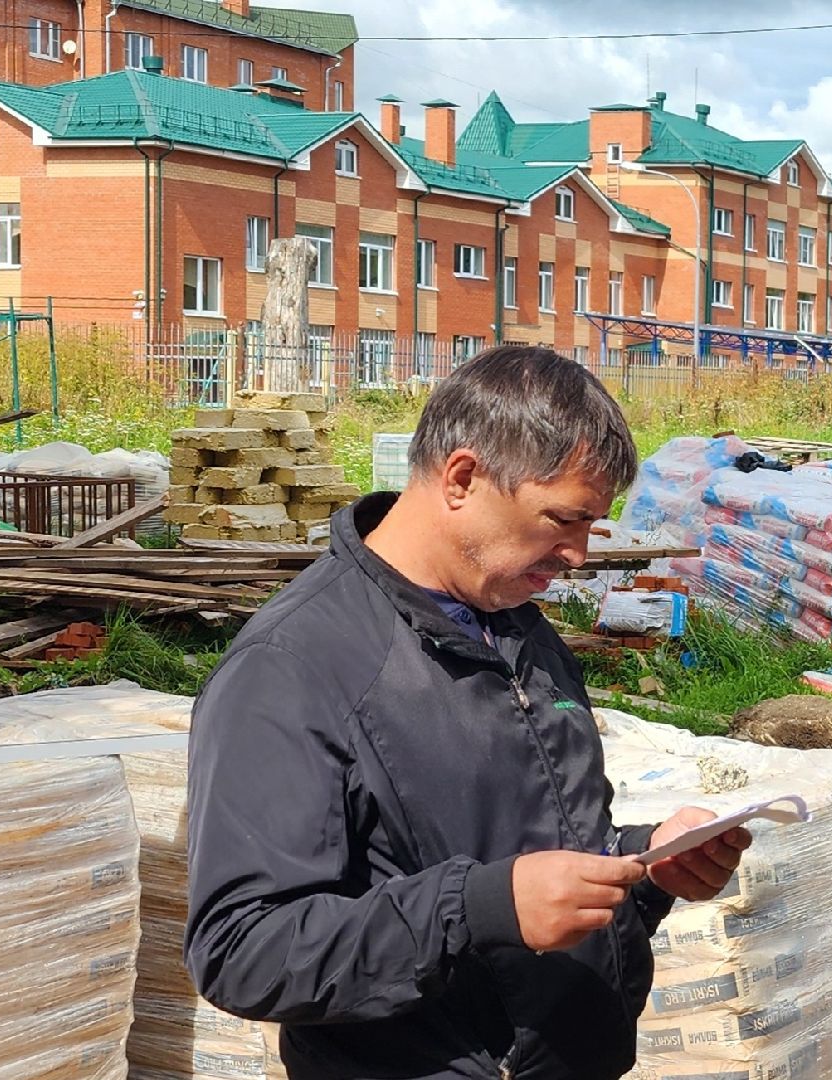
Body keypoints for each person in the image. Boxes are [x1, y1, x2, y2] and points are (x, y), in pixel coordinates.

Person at [184, 346, 750, 1078]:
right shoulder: (292, 667)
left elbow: (537, 845)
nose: (579, 554)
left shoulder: (517, 627)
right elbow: (243, 952)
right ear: (461, 478)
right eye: (564, 520)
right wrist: (479, 908)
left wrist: (645, 866)